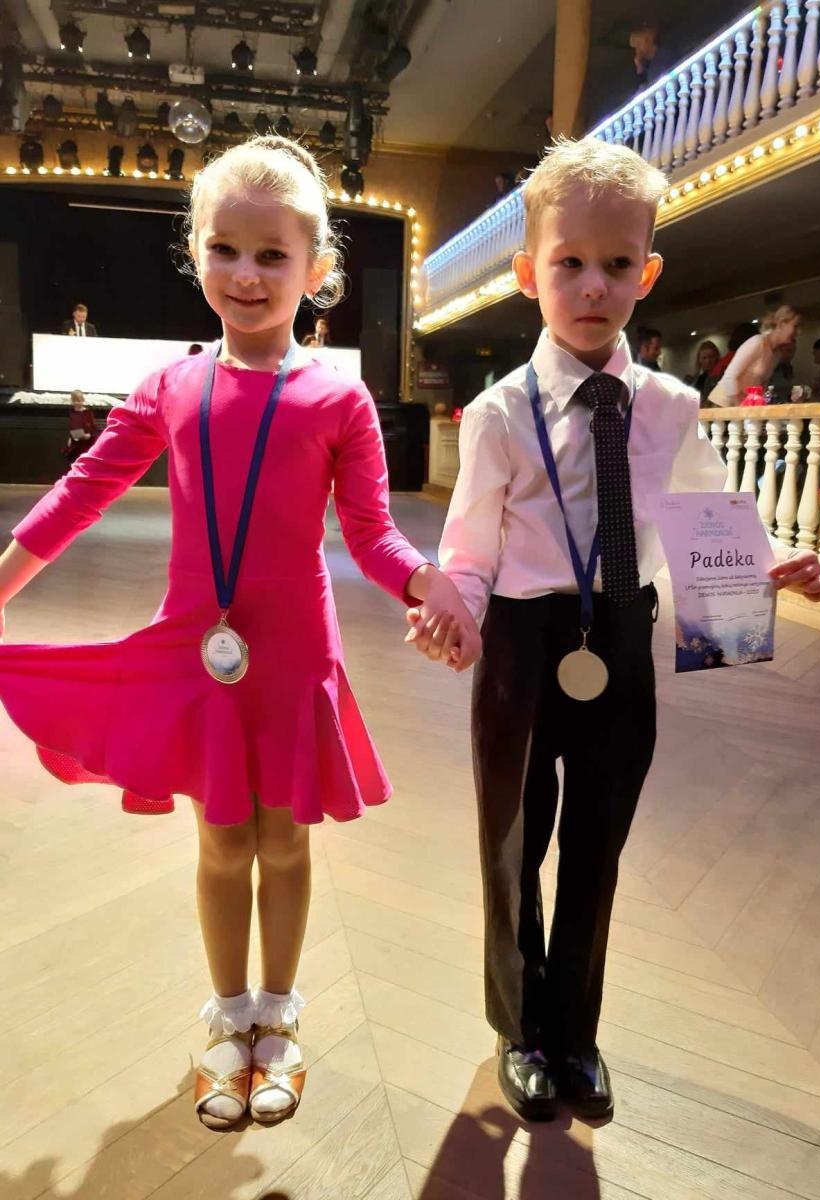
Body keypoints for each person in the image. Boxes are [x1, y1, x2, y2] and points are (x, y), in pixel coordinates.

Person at [0, 135, 479, 1132]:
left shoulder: (339, 397)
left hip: (295, 656)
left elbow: (370, 532)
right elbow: (83, 492)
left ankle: (280, 1019)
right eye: (225, 249)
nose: (247, 274)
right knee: (222, 840)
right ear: (197, 252)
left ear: (316, 268)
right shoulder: (170, 387)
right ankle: (227, 1019)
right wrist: (2, 583)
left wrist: (427, 581)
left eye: (272, 254)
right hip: (198, 649)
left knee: (285, 841)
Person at [407, 138, 820, 1124]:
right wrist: (452, 606)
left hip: (623, 634)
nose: (593, 284)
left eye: (616, 262)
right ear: (529, 273)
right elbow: (470, 548)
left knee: (598, 847)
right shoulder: (500, 414)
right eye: (569, 262)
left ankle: (576, 1032)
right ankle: (520, 1029)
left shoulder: (671, 408)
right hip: (522, 642)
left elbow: (706, 517)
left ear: (649, 271)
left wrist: (769, 565)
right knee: (513, 843)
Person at [707, 305, 801, 406]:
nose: (798, 332)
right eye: (795, 326)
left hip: (741, 406)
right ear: (782, 324)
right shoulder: (758, 342)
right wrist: (740, 408)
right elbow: (729, 377)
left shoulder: (776, 354)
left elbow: (762, 384)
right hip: (722, 404)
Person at [63, 388, 98, 464]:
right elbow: (70, 427)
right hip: (75, 445)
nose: (77, 403)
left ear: (83, 400)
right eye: (74, 400)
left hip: (86, 444)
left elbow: (94, 428)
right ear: (72, 401)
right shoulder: (71, 412)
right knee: (74, 462)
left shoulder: (87, 413)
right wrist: (69, 438)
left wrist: (89, 435)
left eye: (79, 400)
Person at [684, 339, 720, 406]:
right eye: (704, 358)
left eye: (711, 357)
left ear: (716, 357)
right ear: (699, 360)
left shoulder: (722, 377)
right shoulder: (696, 380)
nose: (708, 361)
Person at [767, 339, 797, 404]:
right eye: (789, 350)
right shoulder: (769, 367)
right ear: (779, 350)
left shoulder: (788, 368)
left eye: (794, 351)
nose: (791, 355)